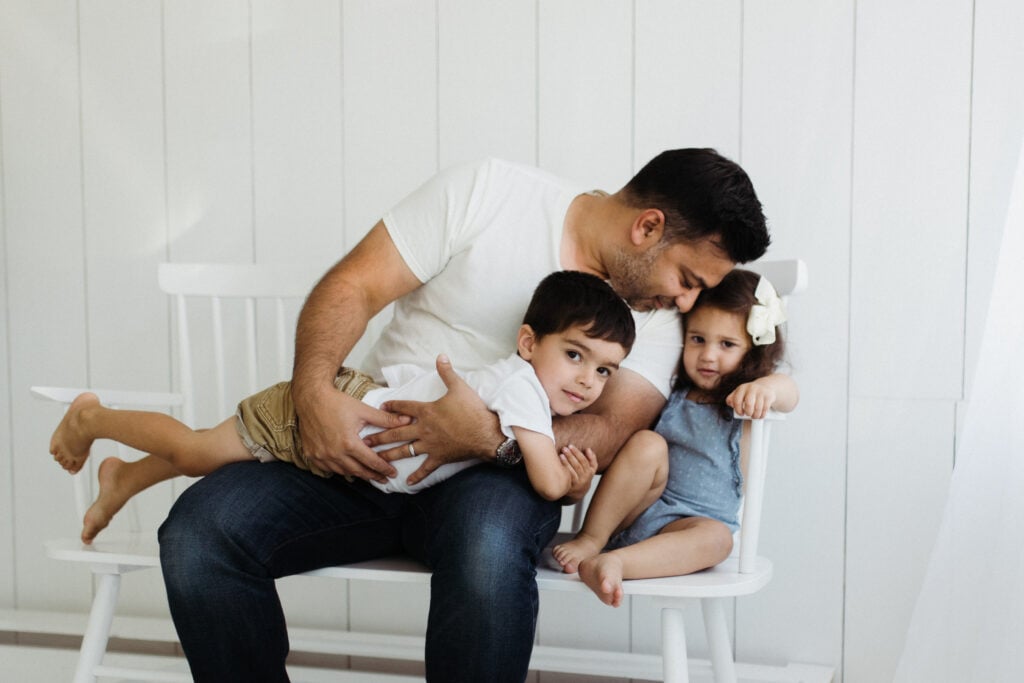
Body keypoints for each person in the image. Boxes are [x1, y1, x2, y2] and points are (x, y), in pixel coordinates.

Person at [156, 149, 774, 683]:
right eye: (688, 278)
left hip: (495, 483)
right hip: (366, 446)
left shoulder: (659, 316)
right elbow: (354, 286)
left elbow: (611, 431)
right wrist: (314, 395)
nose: (689, 302)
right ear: (648, 227)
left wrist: (485, 439)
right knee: (201, 529)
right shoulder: (488, 191)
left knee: (486, 550)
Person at [50, 271, 636, 542]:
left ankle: (125, 475)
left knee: (210, 452)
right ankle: (91, 418)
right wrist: (573, 484)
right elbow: (543, 476)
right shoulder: (523, 394)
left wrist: (569, 481)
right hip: (340, 416)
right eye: (575, 356)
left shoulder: (525, 390)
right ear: (530, 343)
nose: (587, 380)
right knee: (197, 448)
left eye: (605, 369)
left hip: (359, 440)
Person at [551, 269, 799, 607]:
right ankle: (592, 539)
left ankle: (617, 563)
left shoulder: (745, 402)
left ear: (753, 352)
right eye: (698, 339)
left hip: (691, 529)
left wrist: (765, 388)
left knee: (719, 540)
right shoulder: (676, 388)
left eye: (726, 344)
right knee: (647, 444)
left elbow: (790, 393)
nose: (708, 355)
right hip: (638, 510)